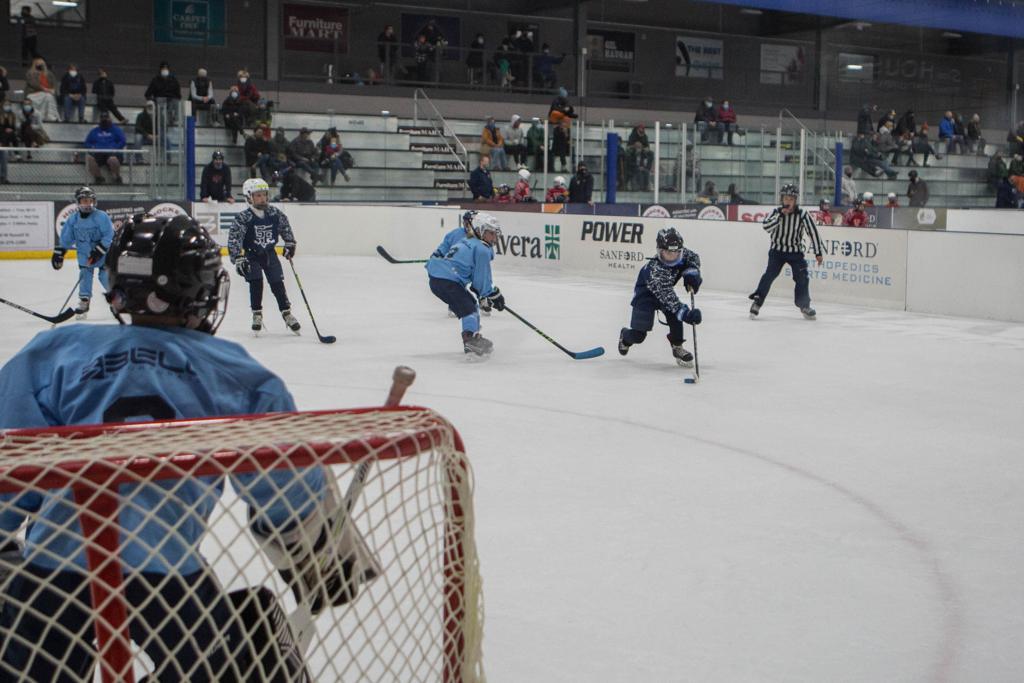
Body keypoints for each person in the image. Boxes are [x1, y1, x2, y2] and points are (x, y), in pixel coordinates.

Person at [1, 214, 371, 681]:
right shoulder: (235, 373)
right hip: (167, 573)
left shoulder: (54, 354)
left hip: (54, 566)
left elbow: (15, 468)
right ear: (202, 290)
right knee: (231, 660)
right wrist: (320, 556)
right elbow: (285, 486)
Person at [617, 227, 703, 367]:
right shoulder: (655, 271)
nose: (673, 255)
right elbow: (669, 299)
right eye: (668, 252)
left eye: (676, 252)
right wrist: (687, 314)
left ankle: (677, 346)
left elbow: (694, 258)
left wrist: (691, 273)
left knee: (674, 318)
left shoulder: (683, 254)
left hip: (664, 292)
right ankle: (625, 337)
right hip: (645, 296)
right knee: (639, 335)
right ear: (660, 251)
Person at [425, 212, 505, 356]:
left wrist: (486, 293)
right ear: (480, 230)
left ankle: (474, 336)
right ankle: (470, 341)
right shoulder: (482, 249)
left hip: (440, 278)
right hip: (447, 280)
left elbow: (475, 277)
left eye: (495, 234)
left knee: (471, 304)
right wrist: (492, 294)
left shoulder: (468, 241)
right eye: (490, 233)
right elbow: (481, 280)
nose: (494, 238)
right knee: (468, 309)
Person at [228, 178, 300, 334]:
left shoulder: (274, 213)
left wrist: (289, 243)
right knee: (256, 283)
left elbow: (285, 228)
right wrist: (237, 257)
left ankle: (286, 312)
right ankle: (257, 313)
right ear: (249, 197)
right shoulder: (243, 218)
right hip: (251, 256)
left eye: (264, 195)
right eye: (258, 195)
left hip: (269, 254)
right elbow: (235, 239)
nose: (262, 198)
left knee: (277, 283)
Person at [748, 183, 824, 321]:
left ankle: (804, 305)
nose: (788, 202)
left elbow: (813, 233)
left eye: (791, 199)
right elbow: (766, 226)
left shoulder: (802, 214)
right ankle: (757, 302)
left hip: (795, 253)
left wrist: (818, 252)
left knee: (802, 277)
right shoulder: (776, 212)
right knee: (769, 275)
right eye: (785, 199)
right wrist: (780, 217)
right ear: (781, 199)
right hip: (777, 251)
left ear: (795, 200)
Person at [51, 186, 114, 318]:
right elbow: (66, 238)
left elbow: (109, 235)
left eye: (90, 201)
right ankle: (84, 302)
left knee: (104, 276)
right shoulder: (73, 219)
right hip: (84, 255)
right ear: (78, 202)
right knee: (84, 276)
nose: (87, 204)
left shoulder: (101, 216)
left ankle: (117, 300)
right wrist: (60, 252)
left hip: (102, 254)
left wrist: (100, 249)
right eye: (84, 201)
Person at [84, 111, 127, 185]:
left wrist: (115, 148)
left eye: (106, 118)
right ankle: (99, 178)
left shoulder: (116, 129)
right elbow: (87, 142)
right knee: (89, 159)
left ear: (109, 119)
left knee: (112, 159)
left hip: (112, 153)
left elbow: (122, 141)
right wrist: (92, 147)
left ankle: (117, 177)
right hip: (99, 153)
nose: (104, 120)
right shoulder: (95, 131)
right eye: (102, 118)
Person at [144, 62, 182, 128]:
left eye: (166, 68)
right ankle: (162, 122)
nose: (165, 70)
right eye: (163, 68)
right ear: (160, 70)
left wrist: (176, 98)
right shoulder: (155, 80)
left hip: (171, 99)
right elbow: (148, 94)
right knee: (161, 104)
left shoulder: (173, 80)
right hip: (159, 99)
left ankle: (174, 121)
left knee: (176, 102)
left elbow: (178, 93)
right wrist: (152, 100)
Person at [24, 57, 59, 122]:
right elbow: (33, 83)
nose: (40, 65)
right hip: (34, 93)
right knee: (48, 96)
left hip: (47, 93)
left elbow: (54, 83)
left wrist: (53, 90)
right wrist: (44, 89)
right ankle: (46, 116)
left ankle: (49, 116)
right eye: (38, 63)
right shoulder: (30, 73)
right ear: (35, 64)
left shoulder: (49, 74)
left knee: (49, 96)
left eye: (42, 64)